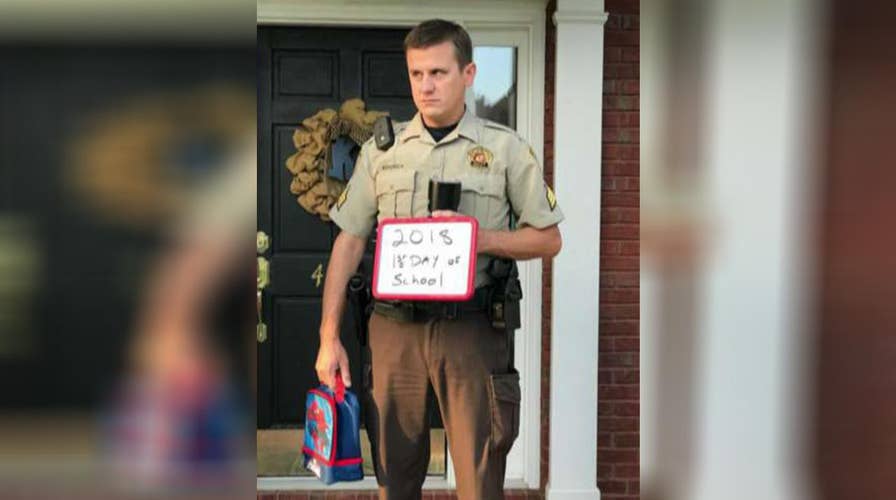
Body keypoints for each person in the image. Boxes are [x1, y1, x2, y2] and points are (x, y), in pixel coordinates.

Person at [314, 19, 563, 499]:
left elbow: (548, 239)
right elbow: (348, 241)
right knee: (394, 473)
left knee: (479, 473)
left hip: (471, 330)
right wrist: (329, 337)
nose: (425, 86)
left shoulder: (504, 150)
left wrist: (481, 239)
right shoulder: (381, 153)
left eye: (439, 73)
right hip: (393, 332)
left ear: (468, 73)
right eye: (416, 74)